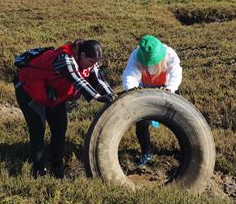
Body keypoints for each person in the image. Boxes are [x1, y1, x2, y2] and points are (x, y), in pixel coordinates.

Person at [14, 39, 115, 178]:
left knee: (60, 129)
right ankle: (39, 170)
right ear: (82, 55)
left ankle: (57, 168)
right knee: (38, 129)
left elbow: (99, 80)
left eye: (95, 62)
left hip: (52, 95)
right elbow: (77, 79)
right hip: (29, 91)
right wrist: (97, 97)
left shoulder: (90, 62)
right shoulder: (65, 58)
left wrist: (111, 96)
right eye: (91, 61)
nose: (92, 65)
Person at [122, 35, 182, 168]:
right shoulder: (136, 56)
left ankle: (183, 152)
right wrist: (132, 89)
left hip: (167, 87)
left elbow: (176, 73)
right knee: (142, 123)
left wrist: (170, 89)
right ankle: (146, 153)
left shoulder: (169, 54)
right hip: (145, 88)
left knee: (178, 120)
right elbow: (129, 74)